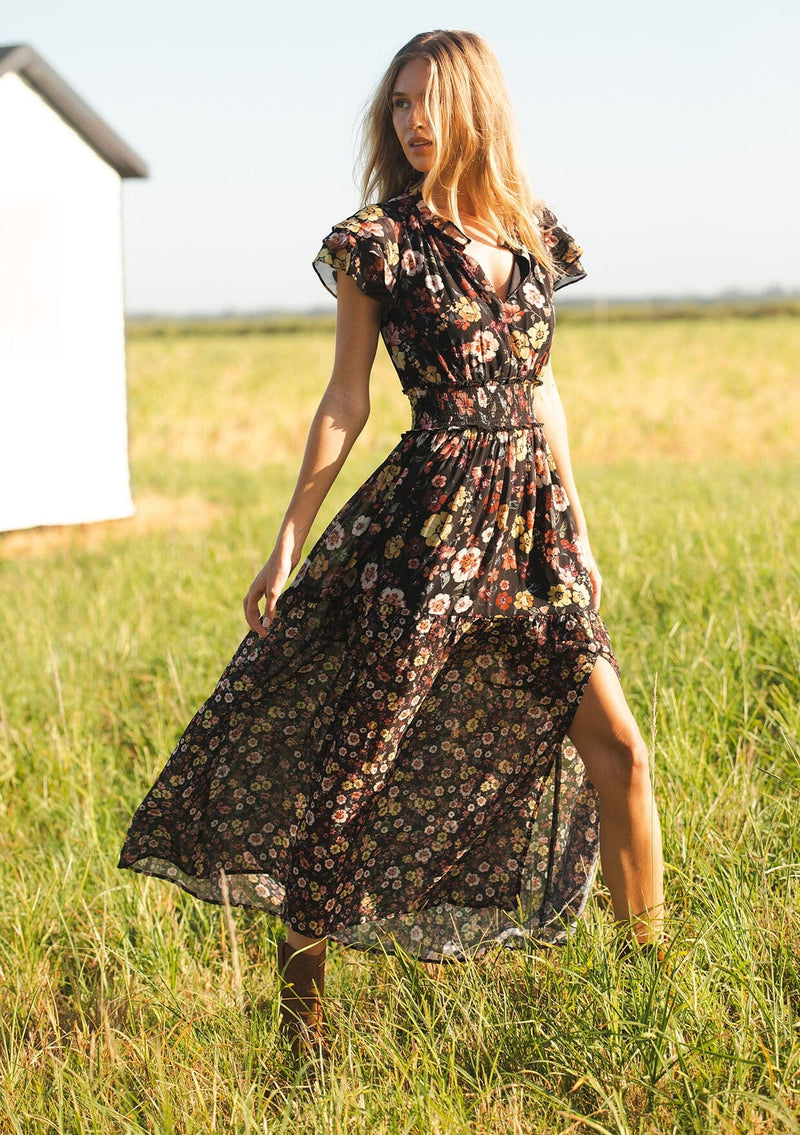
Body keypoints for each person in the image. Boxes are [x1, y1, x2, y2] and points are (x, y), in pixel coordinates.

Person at [118, 28, 665, 1056]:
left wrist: (577, 527)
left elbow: (539, 389)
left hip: (531, 530)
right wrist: (287, 539)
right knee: (355, 770)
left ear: (475, 108)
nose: (412, 121)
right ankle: (302, 1025)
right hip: (428, 525)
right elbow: (344, 398)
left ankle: (652, 993)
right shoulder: (379, 241)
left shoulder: (534, 236)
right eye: (398, 105)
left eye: (429, 102)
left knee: (620, 753)